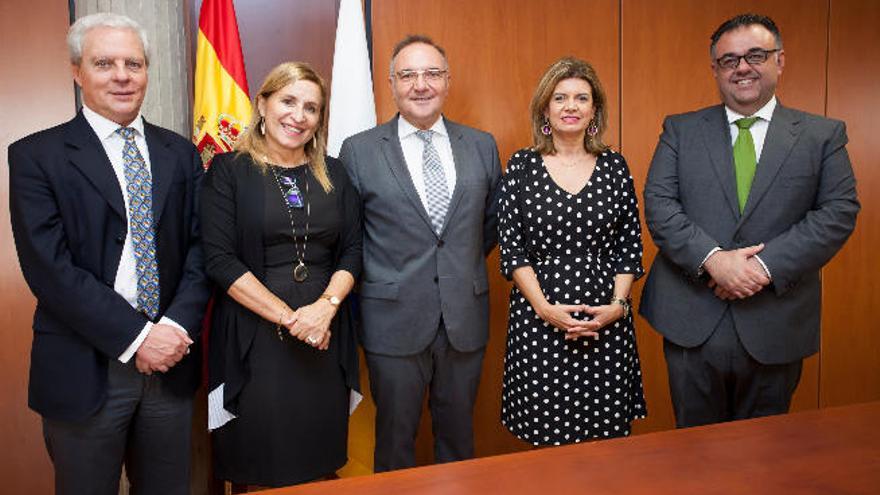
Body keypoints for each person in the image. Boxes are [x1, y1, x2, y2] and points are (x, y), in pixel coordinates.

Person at [7, 13, 210, 494]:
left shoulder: (180, 154)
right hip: (85, 370)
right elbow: (49, 270)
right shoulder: (36, 156)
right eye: (105, 63)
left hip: (171, 368)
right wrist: (140, 337)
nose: (122, 75)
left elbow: (204, 250)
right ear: (77, 72)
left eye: (133, 64)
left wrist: (174, 329)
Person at [640, 13, 859, 428]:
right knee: (692, 453)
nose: (742, 67)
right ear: (716, 70)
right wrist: (714, 261)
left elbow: (838, 212)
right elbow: (660, 204)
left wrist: (761, 267)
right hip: (691, 319)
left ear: (779, 60)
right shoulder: (680, 130)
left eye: (755, 55)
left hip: (776, 321)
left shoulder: (822, 135)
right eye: (729, 60)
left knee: (764, 457)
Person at [339, 35, 501, 471]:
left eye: (431, 73)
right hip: (392, 320)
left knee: (459, 438)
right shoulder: (359, 150)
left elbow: (487, 227)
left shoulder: (481, 145)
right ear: (391, 85)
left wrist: (453, 269)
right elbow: (350, 235)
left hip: (463, 318)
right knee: (394, 441)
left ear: (448, 82)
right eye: (407, 75)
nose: (420, 84)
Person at [201, 62, 362, 489]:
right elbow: (219, 260)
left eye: (311, 107)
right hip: (256, 338)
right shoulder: (228, 171)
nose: (298, 115)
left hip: (324, 337)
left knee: (319, 460)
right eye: (288, 101)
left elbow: (352, 251)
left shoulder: (336, 173)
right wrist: (294, 319)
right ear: (263, 104)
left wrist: (324, 309)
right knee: (260, 462)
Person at [497, 57, 647, 445]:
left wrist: (617, 305)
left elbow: (629, 247)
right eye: (560, 97)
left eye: (582, 97)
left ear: (594, 109)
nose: (571, 106)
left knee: (607, 443)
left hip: (606, 326)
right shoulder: (522, 167)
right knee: (544, 443)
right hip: (539, 325)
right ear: (545, 108)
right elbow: (512, 251)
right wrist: (546, 309)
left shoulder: (615, 166)